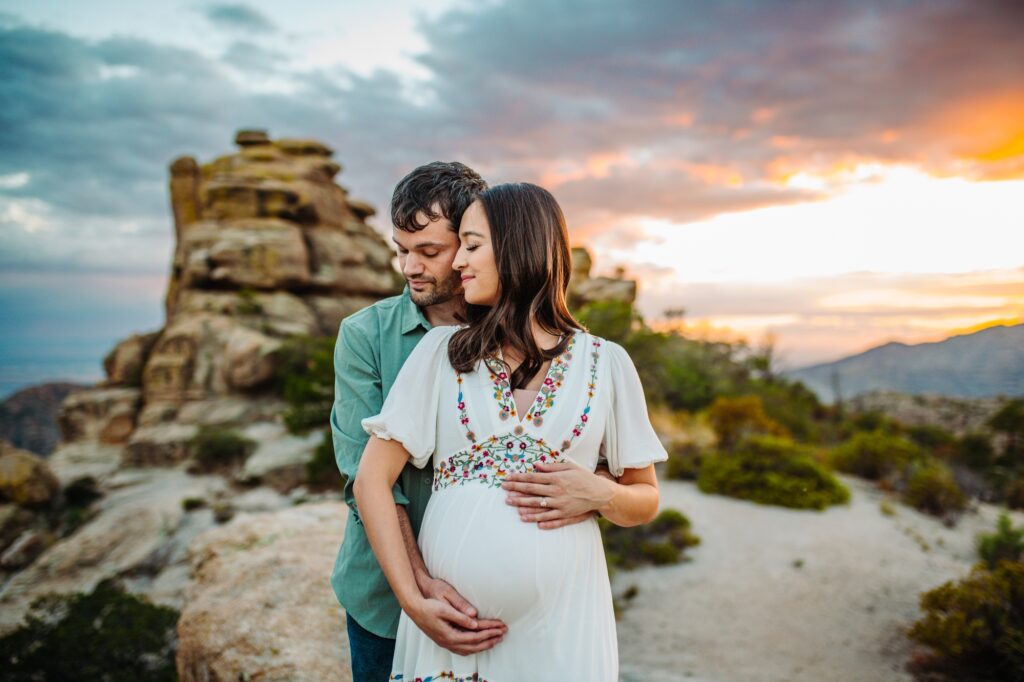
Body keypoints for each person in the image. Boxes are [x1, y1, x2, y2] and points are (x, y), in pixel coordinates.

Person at [354, 182, 669, 680]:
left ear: (520, 248)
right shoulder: (441, 352)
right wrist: (413, 602)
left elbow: (645, 498)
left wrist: (599, 493)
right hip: (451, 635)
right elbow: (370, 480)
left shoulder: (607, 363)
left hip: (562, 628)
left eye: (473, 246)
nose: (459, 264)